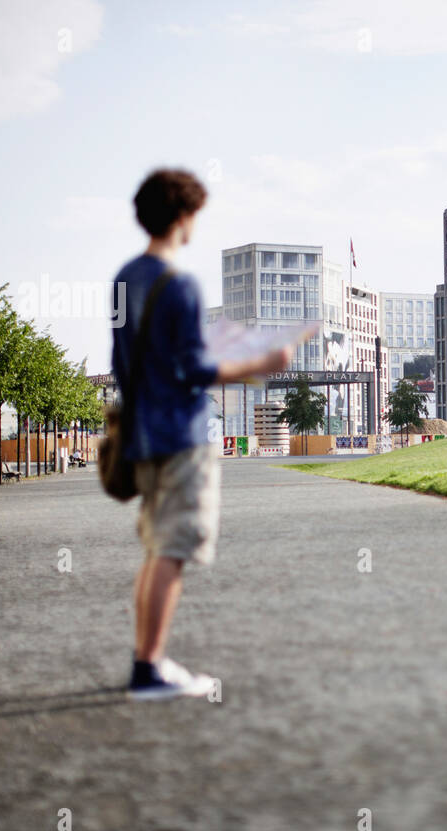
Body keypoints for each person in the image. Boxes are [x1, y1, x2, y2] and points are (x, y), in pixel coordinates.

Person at [112, 169, 292, 700]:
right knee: (174, 548)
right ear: (184, 216)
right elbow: (193, 368)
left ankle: (146, 661)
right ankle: (150, 669)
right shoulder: (182, 285)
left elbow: (126, 362)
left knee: (156, 547)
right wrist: (261, 363)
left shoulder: (125, 277)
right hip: (182, 436)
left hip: (142, 433)